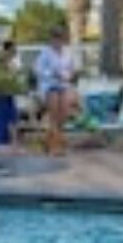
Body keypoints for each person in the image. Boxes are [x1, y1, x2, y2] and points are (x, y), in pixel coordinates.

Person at [34, 27, 77, 155]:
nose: (58, 41)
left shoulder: (67, 52)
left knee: (63, 112)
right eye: (55, 38)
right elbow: (38, 70)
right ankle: (55, 145)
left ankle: (51, 140)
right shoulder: (45, 53)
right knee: (54, 107)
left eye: (60, 38)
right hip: (49, 84)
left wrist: (70, 74)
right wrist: (52, 74)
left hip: (63, 84)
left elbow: (72, 68)